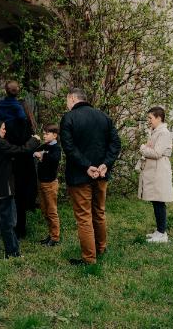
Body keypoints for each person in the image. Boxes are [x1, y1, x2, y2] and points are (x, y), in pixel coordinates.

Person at [59, 87, 121, 265]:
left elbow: (69, 147)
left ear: (72, 98)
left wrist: (87, 166)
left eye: (67, 100)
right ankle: (101, 248)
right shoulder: (103, 116)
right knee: (99, 212)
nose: (66, 103)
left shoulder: (69, 118)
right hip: (100, 174)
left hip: (79, 176)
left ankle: (89, 258)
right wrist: (105, 164)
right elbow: (115, 144)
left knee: (84, 217)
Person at [0, 118, 40, 258]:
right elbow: (21, 150)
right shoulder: (0, 143)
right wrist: (34, 140)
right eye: (3, 128)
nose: (5, 131)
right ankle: (12, 252)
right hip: (3, 189)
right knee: (8, 222)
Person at [0, 80, 38, 238]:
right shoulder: (25, 123)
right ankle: (20, 227)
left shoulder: (3, 124)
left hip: (7, 160)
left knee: (7, 194)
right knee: (21, 194)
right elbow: (27, 147)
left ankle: (8, 225)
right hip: (23, 162)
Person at [137, 106, 173, 243]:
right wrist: (148, 148)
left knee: (159, 201)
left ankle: (162, 234)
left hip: (159, 170)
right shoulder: (155, 131)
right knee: (156, 200)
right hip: (154, 170)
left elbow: (157, 153)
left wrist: (143, 148)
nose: (148, 120)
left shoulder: (163, 133)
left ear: (159, 118)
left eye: (150, 118)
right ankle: (159, 231)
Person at [33, 123, 62, 246]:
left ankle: (55, 238)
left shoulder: (56, 148)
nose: (44, 136)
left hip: (50, 184)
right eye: (43, 133)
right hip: (41, 182)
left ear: (54, 135)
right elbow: (34, 152)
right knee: (45, 211)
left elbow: (54, 159)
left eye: (47, 134)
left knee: (51, 211)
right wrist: (39, 154)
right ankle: (50, 234)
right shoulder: (45, 146)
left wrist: (42, 155)